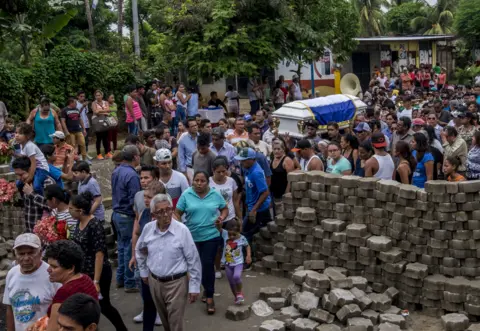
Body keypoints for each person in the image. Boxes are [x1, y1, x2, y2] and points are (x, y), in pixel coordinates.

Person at [136, 194, 201, 330]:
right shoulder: (148, 229)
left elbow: (193, 259)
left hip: (176, 283)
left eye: (168, 209)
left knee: (175, 323)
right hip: (155, 282)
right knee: (165, 321)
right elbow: (140, 250)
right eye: (160, 211)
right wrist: (143, 272)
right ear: (153, 214)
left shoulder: (182, 230)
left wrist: (194, 286)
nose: (166, 214)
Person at [70, 192, 128, 331]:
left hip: (98, 272)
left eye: (71, 208)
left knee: (103, 305)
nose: (69, 211)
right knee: (87, 307)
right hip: (84, 272)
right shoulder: (79, 222)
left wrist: (95, 281)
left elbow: (100, 255)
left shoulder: (94, 224)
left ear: (80, 210)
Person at [175, 172, 227, 314]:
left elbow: (224, 208)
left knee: (207, 264)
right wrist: (180, 226)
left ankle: (210, 296)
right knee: (196, 266)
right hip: (192, 237)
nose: (199, 183)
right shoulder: (186, 194)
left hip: (211, 235)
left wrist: (221, 217)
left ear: (207, 182)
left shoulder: (215, 194)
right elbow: (177, 212)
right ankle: (204, 289)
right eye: (196, 180)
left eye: (202, 181)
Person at [3, 233, 60, 331]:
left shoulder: (51, 274)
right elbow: (10, 308)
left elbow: (61, 311)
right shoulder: (12, 273)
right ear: (15, 254)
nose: (26, 258)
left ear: (41, 253)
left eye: (31, 253)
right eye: (21, 254)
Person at [129, 181, 165, 329]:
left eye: (149, 197)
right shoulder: (144, 212)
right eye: (145, 196)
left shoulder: (168, 217)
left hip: (162, 266)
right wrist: (133, 255)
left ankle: (160, 312)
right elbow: (137, 234)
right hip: (146, 263)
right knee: (147, 295)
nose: (145, 200)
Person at [44, 240, 98, 331]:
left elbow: (52, 329)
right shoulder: (86, 279)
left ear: (70, 268)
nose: (48, 270)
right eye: (49, 265)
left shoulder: (64, 293)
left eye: (54, 267)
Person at [111, 145, 142, 292]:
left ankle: (120, 278)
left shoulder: (117, 171)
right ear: (135, 157)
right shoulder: (132, 175)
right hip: (127, 215)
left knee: (122, 247)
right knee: (130, 248)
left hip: (116, 214)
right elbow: (134, 199)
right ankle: (129, 281)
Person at [209, 156, 241, 278]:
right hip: (215, 219)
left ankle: (231, 266)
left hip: (230, 217)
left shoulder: (231, 181)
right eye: (219, 172)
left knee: (231, 243)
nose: (222, 174)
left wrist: (239, 218)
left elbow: (235, 200)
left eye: (224, 171)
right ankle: (217, 268)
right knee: (217, 245)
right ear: (213, 171)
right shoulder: (209, 182)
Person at [234, 147, 272, 246]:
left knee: (244, 232)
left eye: (244, 160)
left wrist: (254, 210)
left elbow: (265, 192)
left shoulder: (256, 173)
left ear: (251, 159)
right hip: (252, 205)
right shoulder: (248, 168)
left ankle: (248, 257)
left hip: (259, 208)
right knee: (258, 231)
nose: (241, 163)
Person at [13, 156, 54, 231]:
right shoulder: (23, 183)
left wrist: (31, 194)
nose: (19, 178)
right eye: (17, 175)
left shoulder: (46, 182)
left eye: (21, 174)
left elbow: (51, 206)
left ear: (31, 170)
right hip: (30, 228)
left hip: (43, 230)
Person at [220, 219, 251, 304]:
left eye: (234, 235)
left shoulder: (242, 238)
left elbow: (247, 246)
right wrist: (218, 221)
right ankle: (236, 297)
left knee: (236, 277)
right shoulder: (225, 234)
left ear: (239, 231)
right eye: (230, 235)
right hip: (227, 264)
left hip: (238, 263)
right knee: (231, 282)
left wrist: (248, 256)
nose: (232, 237)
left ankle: (239, 292)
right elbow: (218, 227)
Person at [16, 122, 50, 187]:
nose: (17, 135)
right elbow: (24, 157)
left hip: (41, 168)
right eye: (16, 132)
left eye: (20, 133)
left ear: (28, 136)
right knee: (19, 184)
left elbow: (33, 163)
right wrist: (12, 153)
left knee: (36, 186)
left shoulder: (29, 146)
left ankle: (40, 196)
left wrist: (30, 177)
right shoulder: (21, 144)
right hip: (32, 168)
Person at [60, 97, 87, 162]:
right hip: (70, 131)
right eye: (75, 102)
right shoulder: (64, 110)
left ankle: (84, 159)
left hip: (78, 130)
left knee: (83, 144)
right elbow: (63, 121)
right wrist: (66, 131)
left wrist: (84, 129)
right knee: (72, 146)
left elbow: (80, 119)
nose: (76, 104)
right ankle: (73, 160)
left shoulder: (76, 109)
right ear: (71, 103)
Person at [270, 139, 295, 207]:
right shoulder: (273, 159)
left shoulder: (287, 160)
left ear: (283, 149)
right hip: (274, 194)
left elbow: (291, 179)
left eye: (278, 149)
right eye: (274, 149)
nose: (276, 151)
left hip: (283, 194)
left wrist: (286, 193)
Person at [91, 90, 112, 160]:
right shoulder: (93, 103)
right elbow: (95, 112)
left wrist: (99, 111)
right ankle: (98, 154)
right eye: (96, 95)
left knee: (106, 138)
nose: (98, 96)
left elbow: (109, 110)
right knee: (99, 138)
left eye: (99, 95)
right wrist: (104, 112)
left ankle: (107, 153)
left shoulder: (105, 102)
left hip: (105, 121)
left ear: (102, 96)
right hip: (97, 122)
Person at [178, 117, 198, 183]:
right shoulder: (183, 140)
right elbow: (181, 157)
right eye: (192, 126)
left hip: (202, 167)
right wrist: (184, 172)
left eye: (196, 125)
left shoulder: (201, 136)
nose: (195, 127)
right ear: (187, 128)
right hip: (190, 169)